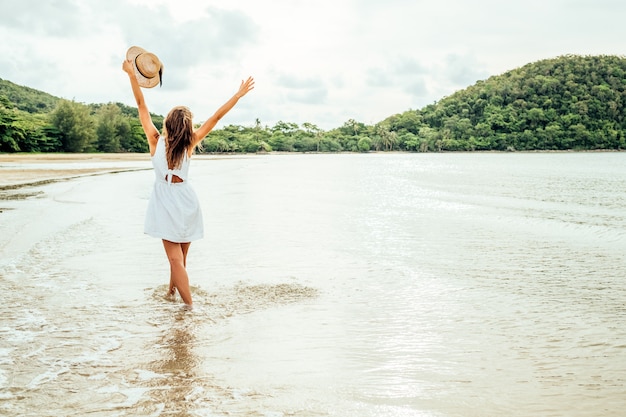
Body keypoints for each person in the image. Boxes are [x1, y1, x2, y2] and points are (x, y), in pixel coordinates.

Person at [122, 46, 255, 308]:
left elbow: (141, 105)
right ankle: (172, 293)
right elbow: (216, 117)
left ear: (168, 123)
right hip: (186, 201)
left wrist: (130, 75)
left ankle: (189, 308)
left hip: (167, 200)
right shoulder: (189, 143)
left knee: (175, 260)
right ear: (186, 126)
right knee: (179, 259)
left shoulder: (155, 139)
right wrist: (237, 95)